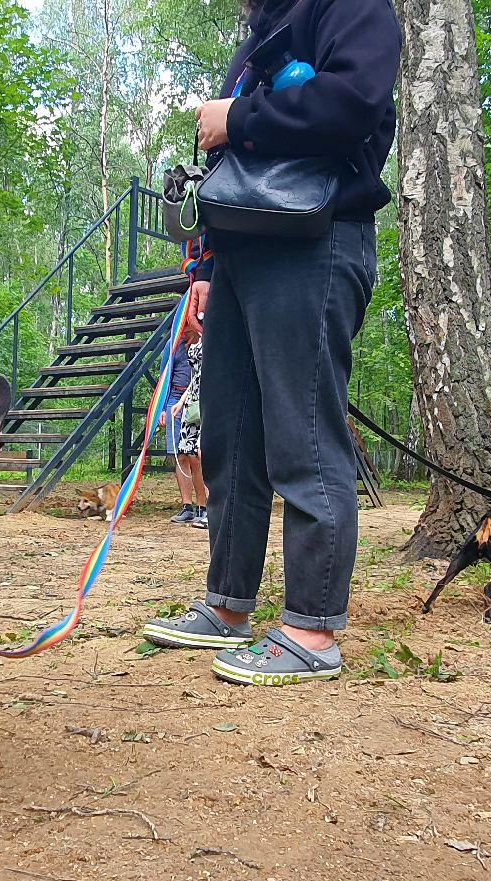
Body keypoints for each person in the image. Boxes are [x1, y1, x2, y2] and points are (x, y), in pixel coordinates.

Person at [140, 0, 399, 685]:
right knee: (228, 436)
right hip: (241, 258)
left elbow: (353, 104)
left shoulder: (352, 8)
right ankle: (228, 606)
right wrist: (205, 268)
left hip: (315, 244)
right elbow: (241, 179)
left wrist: (238, 117)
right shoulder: (264, 25)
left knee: (303, 439)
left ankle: (311, 630)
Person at [168, 341, 208, 528]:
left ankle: (206, 506)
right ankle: (193, 508)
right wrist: (181, 401)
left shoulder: (217, 332)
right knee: (187, 453)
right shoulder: (186, 341)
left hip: (209, 399)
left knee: (201, 455)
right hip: (191, 401)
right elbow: (195, 376)